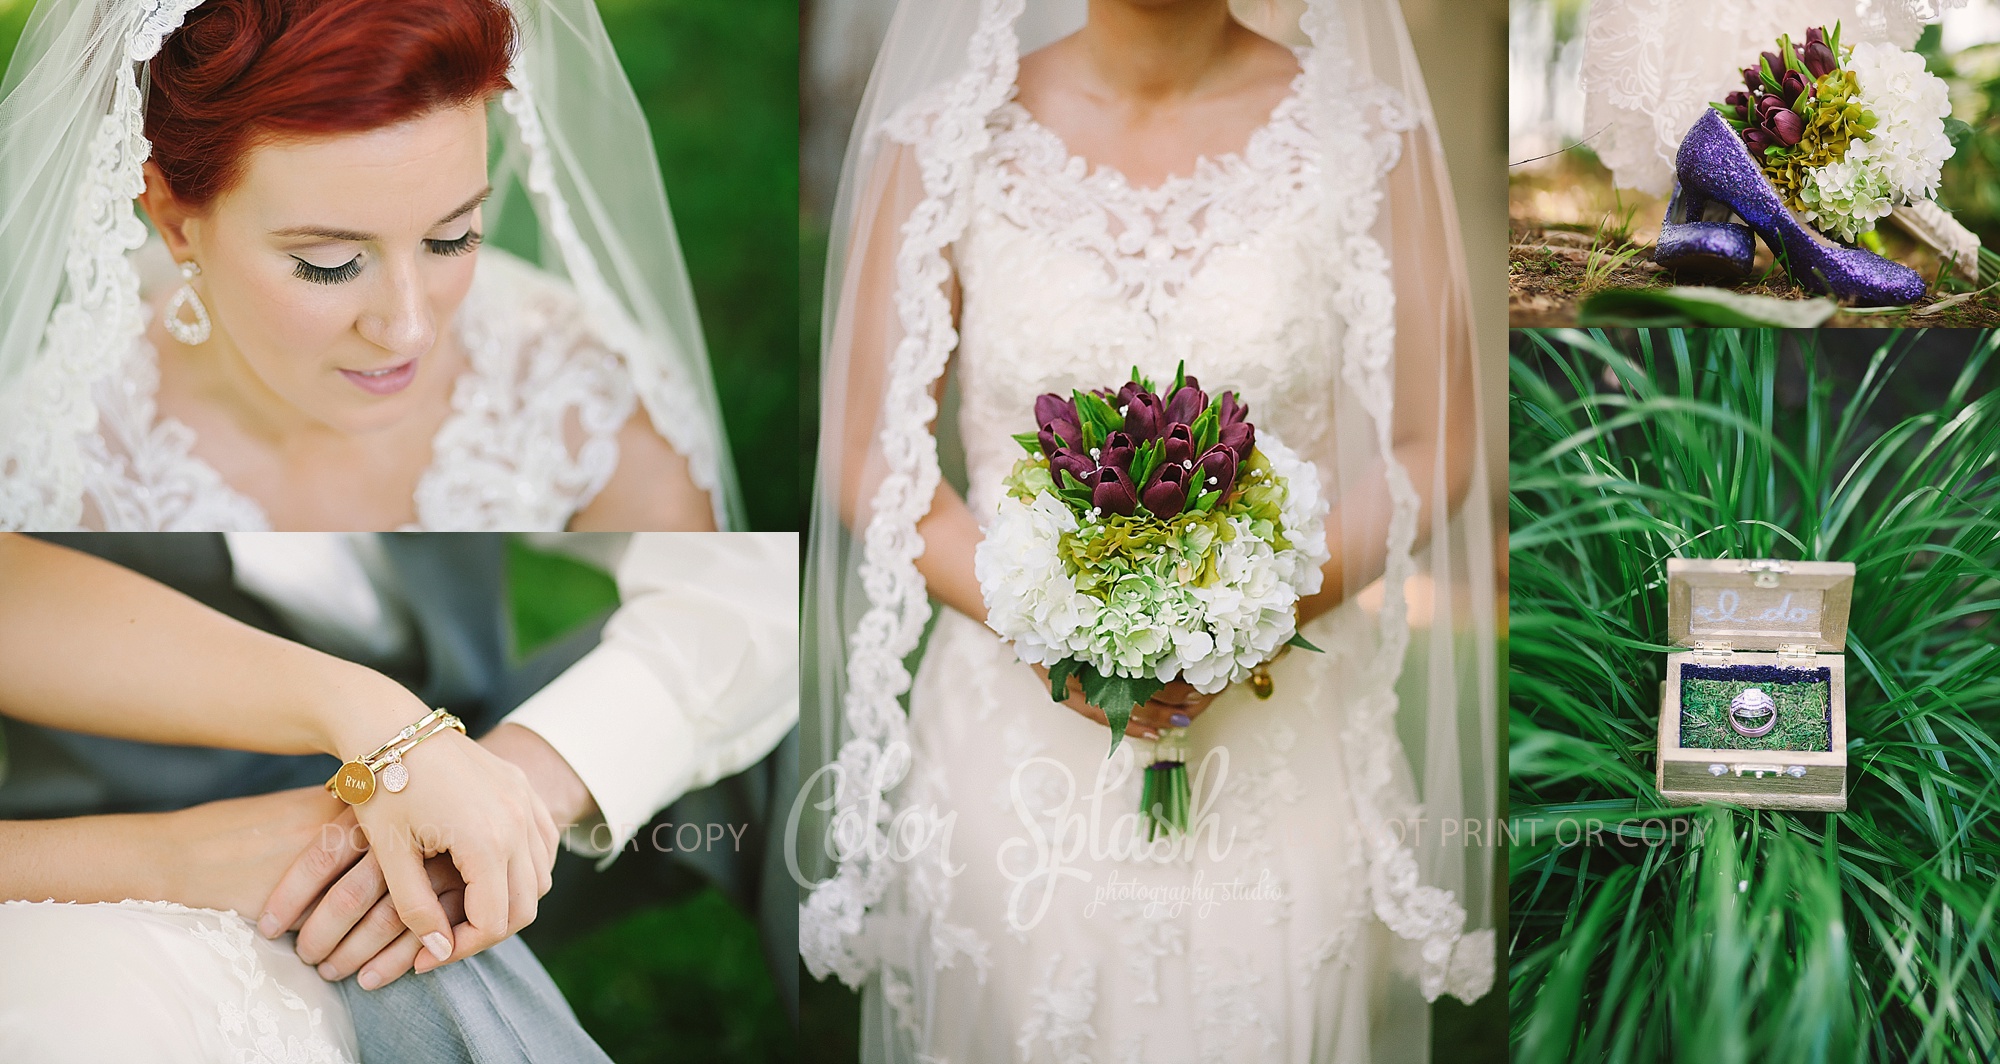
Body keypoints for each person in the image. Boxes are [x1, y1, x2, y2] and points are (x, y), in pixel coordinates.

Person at [801, 1, 1499, 1061]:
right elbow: (869, 453)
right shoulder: (943, 143)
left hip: (1277, 729)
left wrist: (1253, 611)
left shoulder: (1371, 139)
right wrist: (1049, 626)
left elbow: (1429, 442)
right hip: (1011, 742)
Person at [0, 532, 798, 1062]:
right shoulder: (53, 378)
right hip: (148, 842)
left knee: (794, 668)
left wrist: (509, 783)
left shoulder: (506, 346)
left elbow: (758, 578)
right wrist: (172, 857)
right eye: (327, 262)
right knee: (400, 931)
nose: (403, 324)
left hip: (450, 737)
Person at [0, 0, 739, 531]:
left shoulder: (591, 405)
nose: (410, 329)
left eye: (451, 237)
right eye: (331, 262)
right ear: (173, 222)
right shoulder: (58, 468)